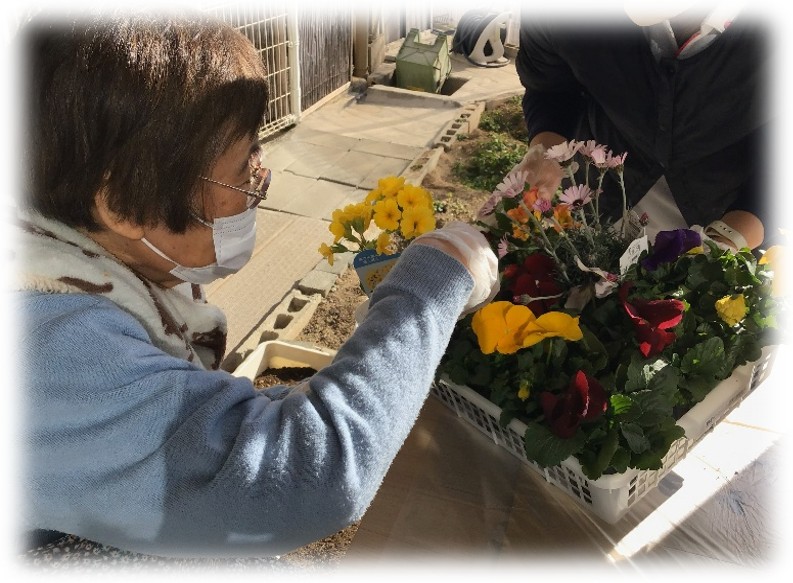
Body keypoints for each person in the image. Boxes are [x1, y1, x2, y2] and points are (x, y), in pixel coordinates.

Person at [14, 12, 499, 558]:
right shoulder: (45, 348)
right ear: (124, 202)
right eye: (243, 167)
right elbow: (303, 476)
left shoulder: (78, 260)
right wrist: (434, 276)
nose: (259, 183)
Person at [515, 1, 773, 250]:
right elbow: (551, 87)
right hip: (602, 206)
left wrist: (729, 242)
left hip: (736, 220)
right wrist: (545, 152)